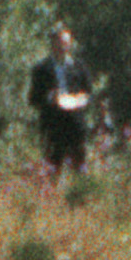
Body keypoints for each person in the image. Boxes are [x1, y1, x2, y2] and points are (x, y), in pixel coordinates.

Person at [28, 26, 93, 175]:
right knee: (52, 169)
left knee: (80, 169)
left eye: (65, 43)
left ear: (70, 44)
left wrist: (80, 99)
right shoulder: (41, 69)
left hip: (75, 125)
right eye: (59, 43)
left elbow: (89, 93)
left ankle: (80, 195)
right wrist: (50, 97)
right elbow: (33, 98)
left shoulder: (79, 67)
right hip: (53, 126)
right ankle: (52, 197)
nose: (62, 46)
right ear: (52, 44)